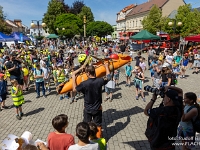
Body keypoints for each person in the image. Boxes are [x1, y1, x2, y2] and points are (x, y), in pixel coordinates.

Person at [72, 60, 111, 138]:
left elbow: (74, 90)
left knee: (86, 124)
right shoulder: (100, 81)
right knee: (98, 125)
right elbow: (109, 77)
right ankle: (98, 140)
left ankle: (87, 139)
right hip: (97, 108)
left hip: (87, 108)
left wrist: (73, 78)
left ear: (89, 73)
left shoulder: (84, 84)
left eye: (86, 73)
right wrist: (106, 67)